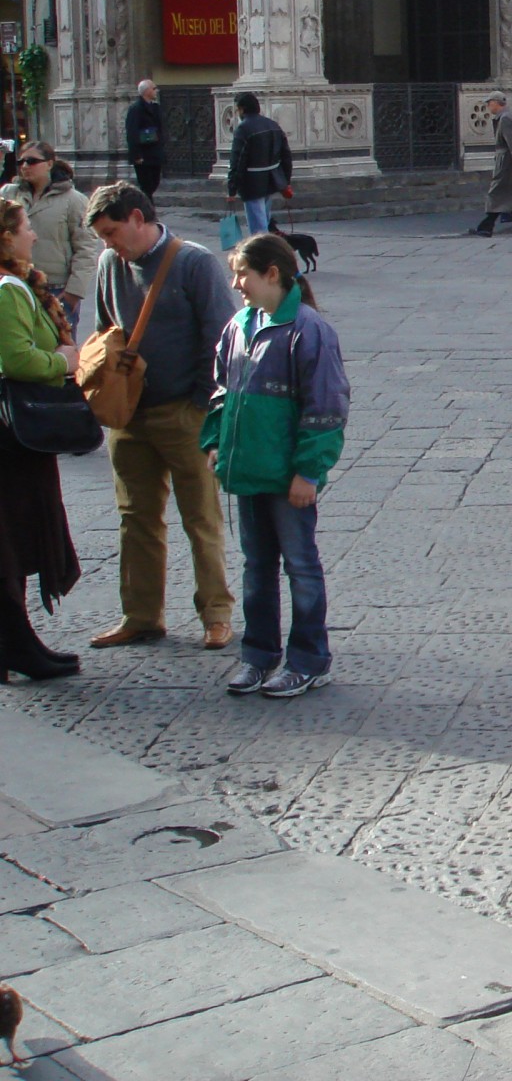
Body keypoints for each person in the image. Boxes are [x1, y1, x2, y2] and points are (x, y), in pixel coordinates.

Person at [86, 182, 237, 651]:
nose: (108, 243)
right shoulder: (109, 263)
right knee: (136, 518)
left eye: (111, 231)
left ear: (137, 218)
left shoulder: (192, 262)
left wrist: (200, 401)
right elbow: (103, 329)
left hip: (183, 411)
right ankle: (141, 615)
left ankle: (216, 614)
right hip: (128, 414)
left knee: (201, 516)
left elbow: (220, 338)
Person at [203, 232, 349, 700]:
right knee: (257, 566)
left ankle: (309, 658)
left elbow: (326, 407)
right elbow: (221, 391)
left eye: (242, 275)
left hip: (287, 475)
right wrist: (214, 441)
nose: (236, 284)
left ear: (272, 274)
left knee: (301, 565)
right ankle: (258, 655)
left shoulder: (310, 331)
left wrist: (309, 471)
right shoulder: (239, 325)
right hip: (248, 470)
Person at [0, 197, 82, 682]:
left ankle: (16, 641)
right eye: (26, 226)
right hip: (12, 437)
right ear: (7, 236)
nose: (33, 233)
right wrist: (64, 362)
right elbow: (15, 360)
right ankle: (16, 643)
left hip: (13, 437)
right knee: (10, 538)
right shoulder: (9, 290)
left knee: (10, 539)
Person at [0, 143, 101, 337]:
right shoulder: (10, 193)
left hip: (55, 288)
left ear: (49, 163)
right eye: (21, 161)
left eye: (32, 161)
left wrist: (73, 292)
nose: (25, 166)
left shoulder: (73, 200)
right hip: (14, 280)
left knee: (59, 346)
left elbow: (86, 248)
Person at [226, 92, 293, 237]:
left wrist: (232, 187)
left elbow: (237, 161)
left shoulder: (243, 129)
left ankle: (262, 254)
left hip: (252, 182)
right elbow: (286, 155)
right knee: (265, 218)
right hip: (272, 179)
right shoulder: (273, 125)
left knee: (258, 227)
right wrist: (285, 181)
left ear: (242, 109)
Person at [470, 92, 512, 237]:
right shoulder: (505, 117)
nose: (488, 106)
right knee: (509, 193)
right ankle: (487, 225)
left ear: (496, 102)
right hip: (507, 160)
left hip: (507, 162)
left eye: (489, 103)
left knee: (496, 193)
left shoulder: (506, 118)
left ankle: (486, 226)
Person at [125, 80, 166, 197]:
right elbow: (132, 133)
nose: (156, 91)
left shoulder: (156, 108)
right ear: (146, 91)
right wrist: (136, 155)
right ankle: (147, 212)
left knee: (154, 183)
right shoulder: (136, 109)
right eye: (154, 88)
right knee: (146, 186)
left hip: (155, 153)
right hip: (143, 155)